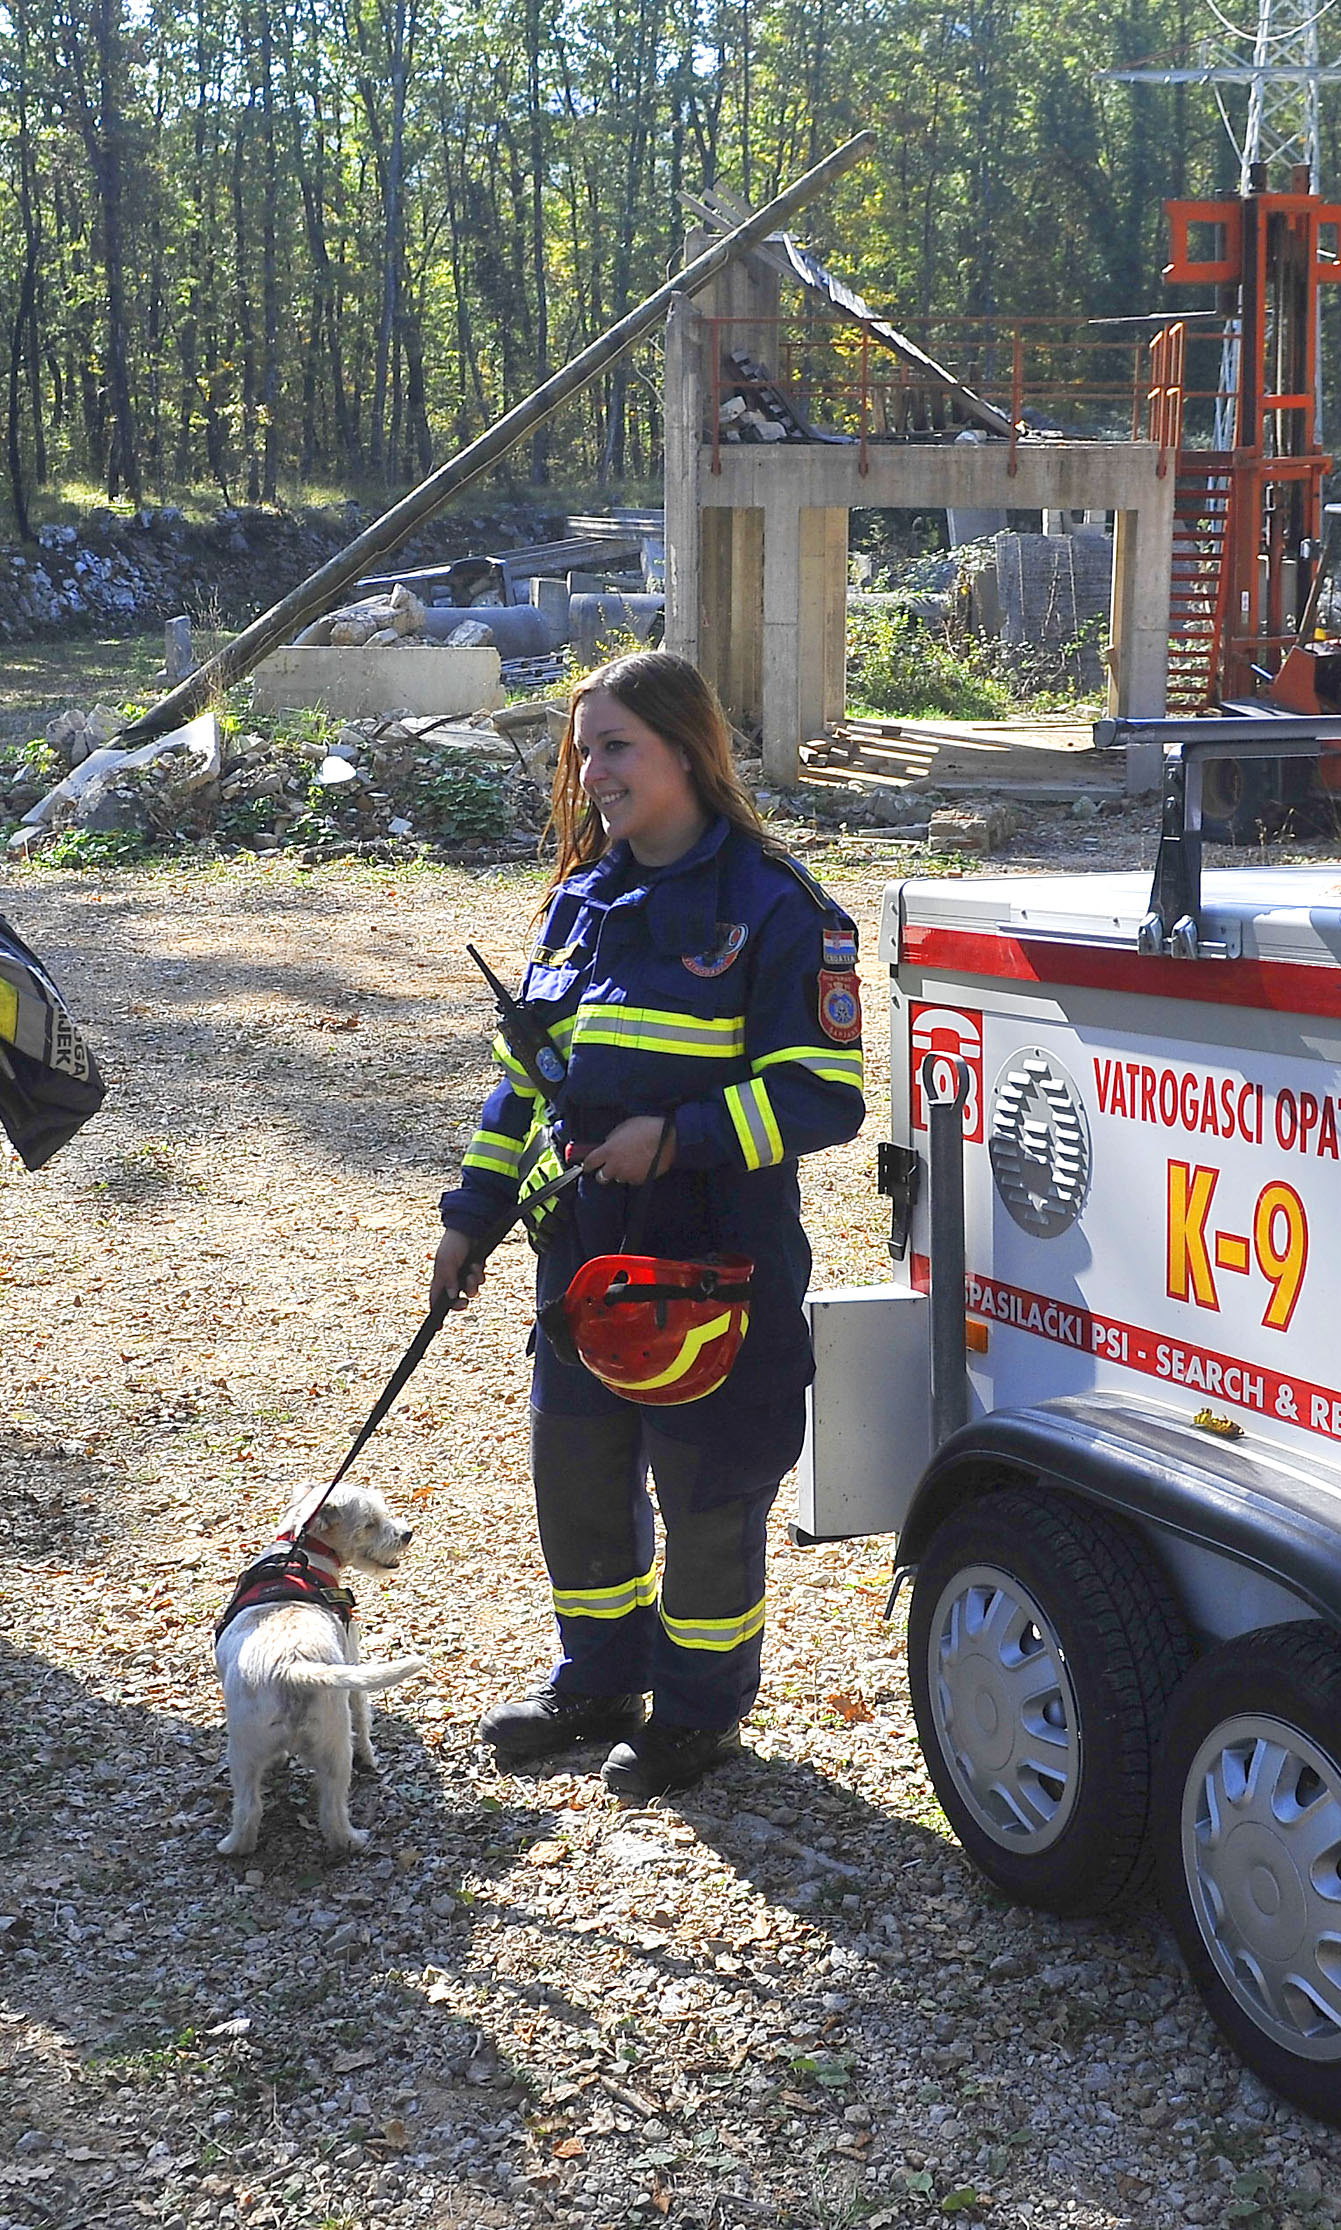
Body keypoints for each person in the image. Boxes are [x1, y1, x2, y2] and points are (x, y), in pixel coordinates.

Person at [434, 650, 867, 1800]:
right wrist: (469, 1216)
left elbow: (822, 1096)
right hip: (581, 1263)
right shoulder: (582, 898)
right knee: (577, 1479)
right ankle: (598, 1679)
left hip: (708, 1267)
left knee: (707, 1495)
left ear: (685, 749)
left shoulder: (776, 907)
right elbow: (521, 1083)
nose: (592, 771)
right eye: (583, 750)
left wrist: (672, 1136)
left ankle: (697, 1713)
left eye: (614, 745)